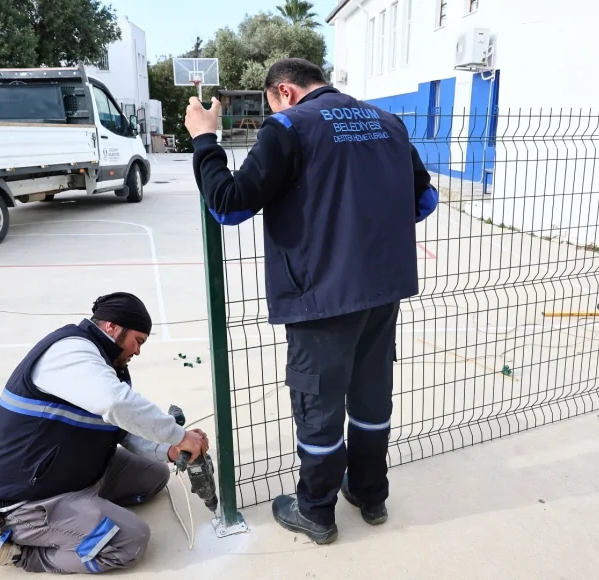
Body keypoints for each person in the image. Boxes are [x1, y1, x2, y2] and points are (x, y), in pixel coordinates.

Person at [185, 58, 438, 544]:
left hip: (320, 297)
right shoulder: (388, 123)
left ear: (285, 91)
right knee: (370, 396)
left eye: (270, 102)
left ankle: (316, 510)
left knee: (318, 407)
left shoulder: (288, 127)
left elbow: (228, 205)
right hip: (382, 291)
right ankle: (370, 492)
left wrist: (204, 139)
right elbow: (424, 203)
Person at [0, 292, 209, 573]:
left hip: (72, 474)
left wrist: (167, 449)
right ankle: (22, 553)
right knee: (130, 540)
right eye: (138, 341)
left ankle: (87, 515)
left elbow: (118, 425)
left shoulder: (104, 361)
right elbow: (115, 403)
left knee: (155, 475)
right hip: (29, 498)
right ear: (112, 327)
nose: (138, 351)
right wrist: (179, 436)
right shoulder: (68, 352)